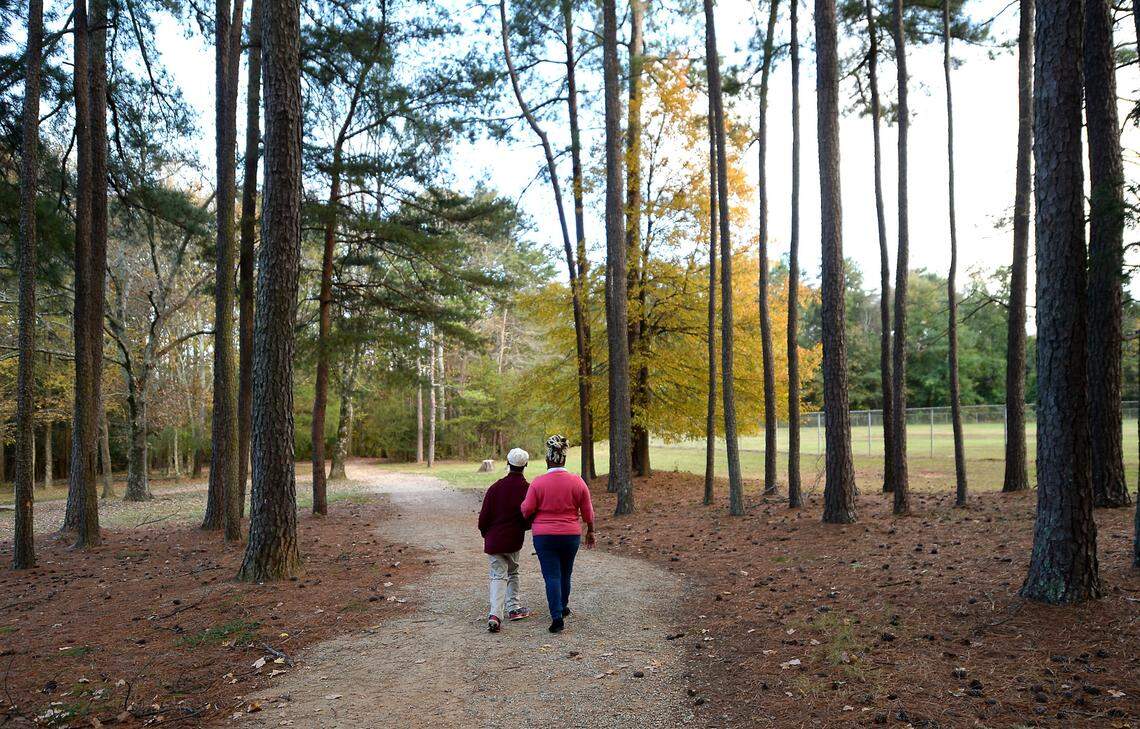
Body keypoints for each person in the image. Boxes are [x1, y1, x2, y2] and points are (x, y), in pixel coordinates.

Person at [520, 435, 596, 634]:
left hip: (544, 536)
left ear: (548, 459)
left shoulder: (538, 483)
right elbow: (588, 511)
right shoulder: (577, 482)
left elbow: (526, 509)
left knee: (551, 575)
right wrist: (591, 531)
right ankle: (563, 606)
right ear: (564, 459)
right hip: (571, 535)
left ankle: (556, 617)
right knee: (565, 572)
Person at [478, 448, 534, 633]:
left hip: (494, 539)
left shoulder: (495, 488)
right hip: (513, 539)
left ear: (507, 463)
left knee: (497, 575)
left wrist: (486, 533)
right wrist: (523, 528)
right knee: (513, 572)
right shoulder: (527, 489)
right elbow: (529, 517)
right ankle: (513, 608)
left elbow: (484, 517)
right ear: (525, 465)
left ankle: (495, 614)